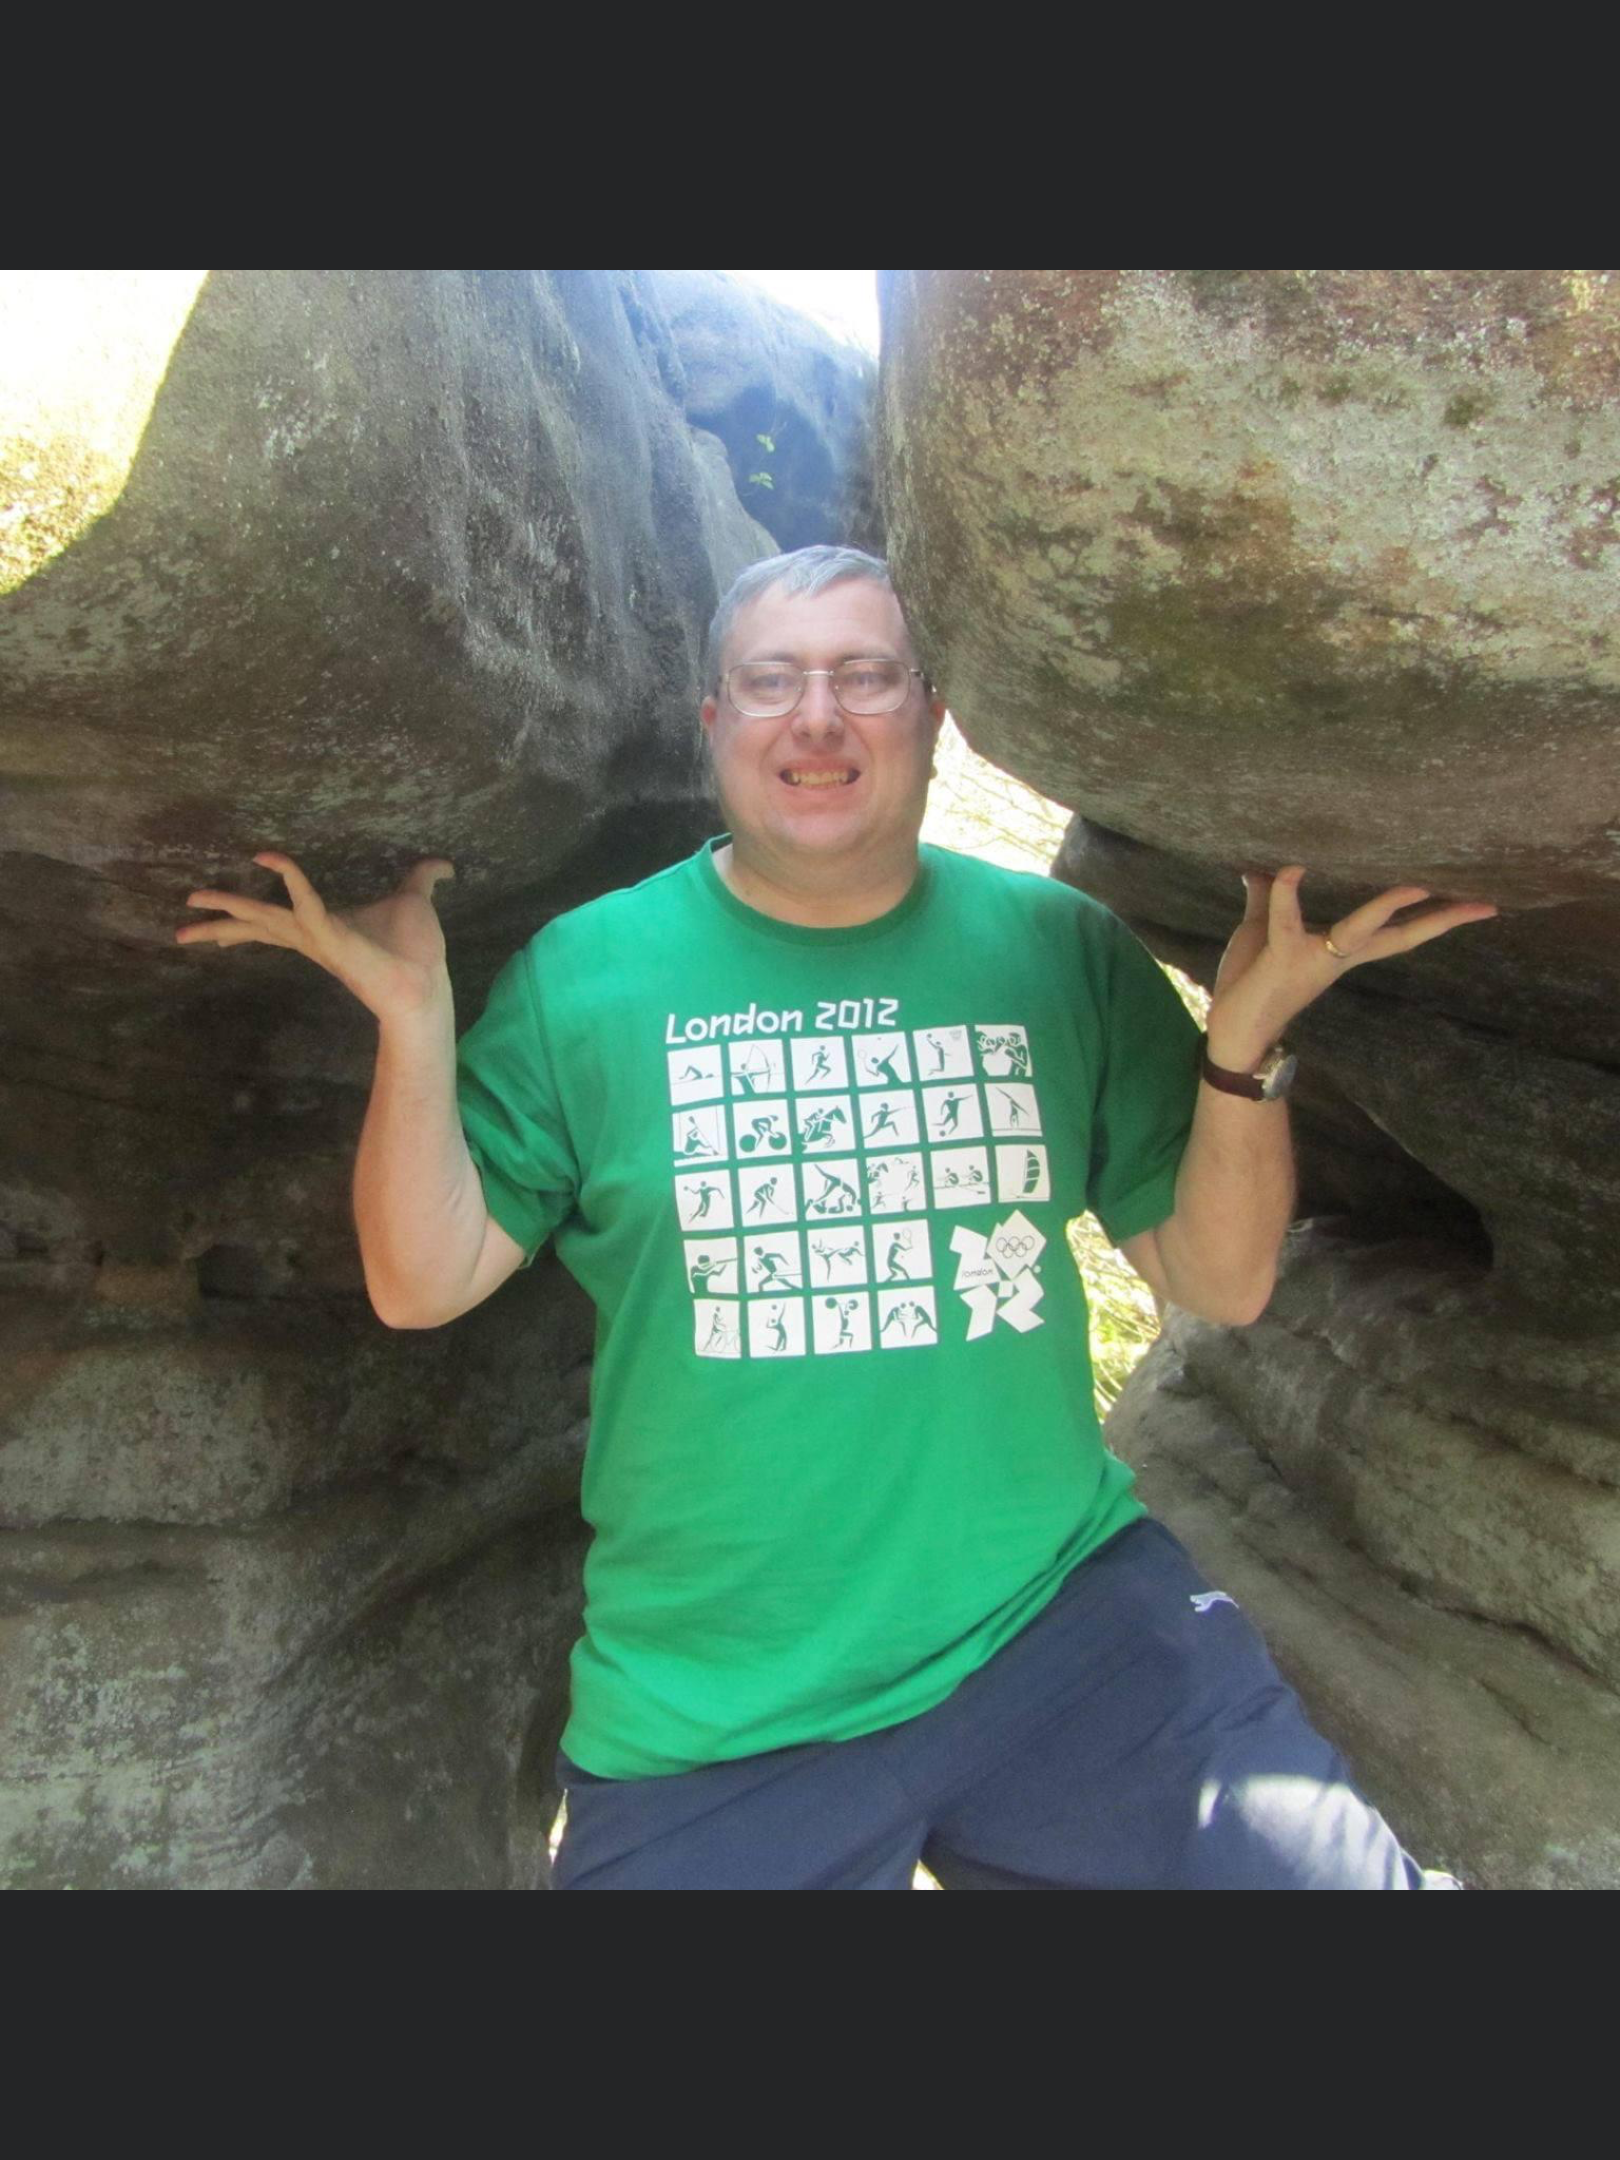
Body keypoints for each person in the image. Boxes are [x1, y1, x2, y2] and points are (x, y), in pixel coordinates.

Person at [178, 545, 1497, 1889]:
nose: (818, 717)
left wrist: (1245, 1046)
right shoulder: (586, 976)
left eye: (866, 676)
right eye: (771, 682)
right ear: (714, 724)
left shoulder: (1061, 949)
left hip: (1062, 1634)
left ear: (932, 716)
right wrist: (412, 1021)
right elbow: (423, 1280)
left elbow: (1220, 1278)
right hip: (723, 1707)